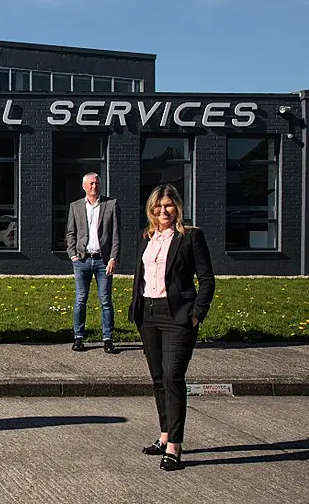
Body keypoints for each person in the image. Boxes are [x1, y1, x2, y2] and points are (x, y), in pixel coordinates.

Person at [129, 184, 214, 471]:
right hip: (149, 315)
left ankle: (175, 447)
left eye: (168, 205)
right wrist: (137, 310)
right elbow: (141, 277)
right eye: (158, 206)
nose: (163, 211)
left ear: (177, 207)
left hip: (178, 316)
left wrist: (196, 314)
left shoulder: (190, 237)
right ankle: (164, 436)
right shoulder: (146, 237)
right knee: (157, 378)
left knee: (173, 377)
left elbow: (207, 279)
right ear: (151, 209)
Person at [65, 172, 120, 353]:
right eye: (90, 184)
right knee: (80, 299)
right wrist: (72, 254)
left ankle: (108, 339)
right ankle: (79, 337)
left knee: (105, 300)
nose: (93, 187)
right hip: (82, 260)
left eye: (96, 183)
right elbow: (70, 232)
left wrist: (113, 257)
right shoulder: (75, 206)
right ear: (84, 186)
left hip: (103, 261)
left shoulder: (110, 205)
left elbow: (116, 235)